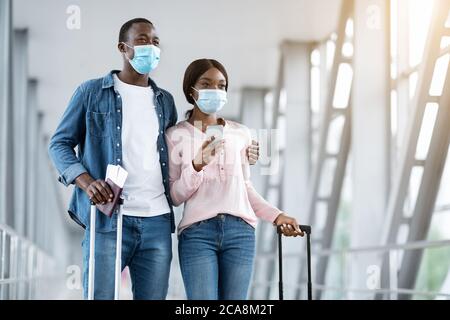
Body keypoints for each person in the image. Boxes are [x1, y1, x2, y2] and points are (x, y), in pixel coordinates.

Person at [48, 18, 260, 300]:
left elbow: (183, 151)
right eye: (143, 40)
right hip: (109, 220)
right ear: (123, 48)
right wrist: (86, 183)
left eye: (156, 42)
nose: (152, 47)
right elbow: (59, 144)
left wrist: (240, 148)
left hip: (157, 222)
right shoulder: (90, 93)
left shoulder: (165, 101)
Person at [166, 59, 304, 300]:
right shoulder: (176, 135)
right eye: (206, 84)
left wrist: (276, 215)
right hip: (197, 234)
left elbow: (245, 187)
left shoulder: (241, 133)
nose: (216, 91)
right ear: (191, 90)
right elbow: (175, 196)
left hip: (240, 233)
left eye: (221, 85)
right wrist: (197, 164)